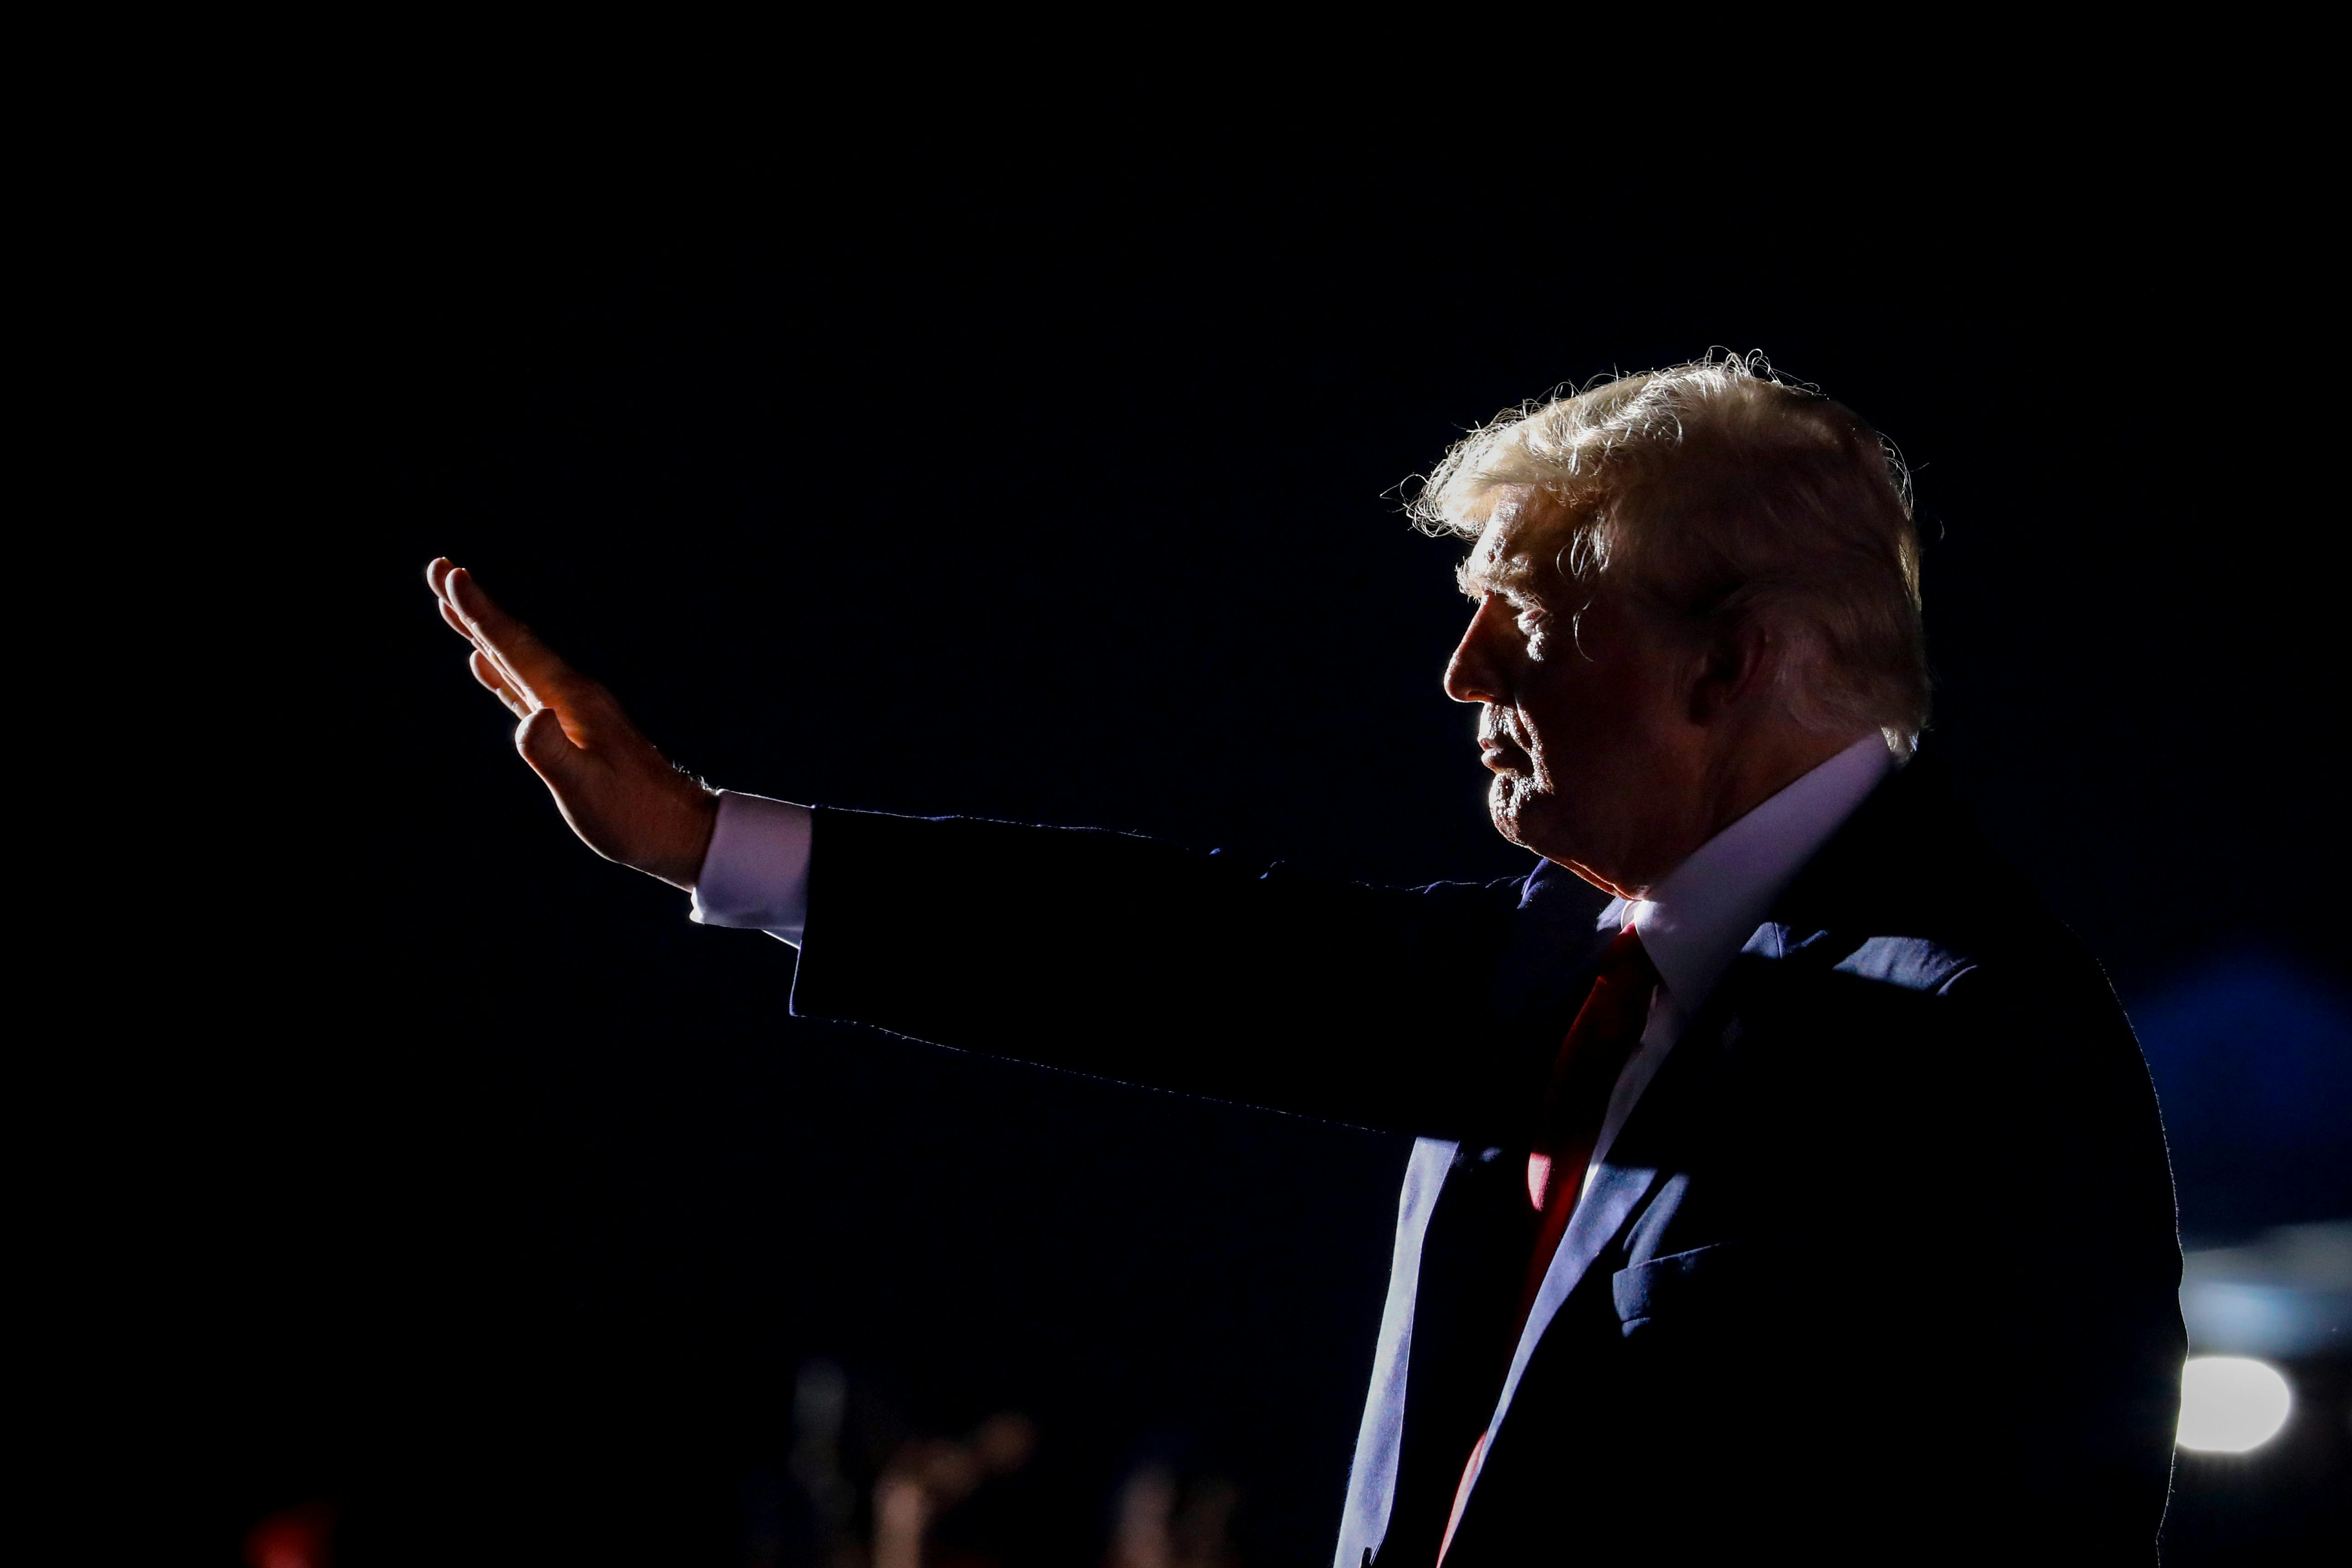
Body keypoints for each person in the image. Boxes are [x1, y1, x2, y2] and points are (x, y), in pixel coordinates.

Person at [426, 356, 2185, 1563]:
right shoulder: (1577, 964)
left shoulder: (1971, 1045)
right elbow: (1189, 954)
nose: (1463, 673)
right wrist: (700, 839)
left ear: (1724, 668)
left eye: (1526, 616)